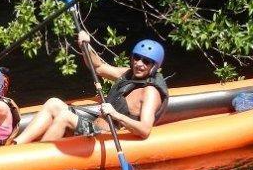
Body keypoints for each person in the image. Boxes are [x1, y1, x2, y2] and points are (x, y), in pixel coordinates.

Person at [12, 32, 169, 144]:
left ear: (154, 66)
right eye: (137, 58)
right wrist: (85, 46)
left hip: (106, 136)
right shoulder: (128, 74)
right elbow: (98, 67)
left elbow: (144, 130)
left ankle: (39, 155)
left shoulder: (150, 92)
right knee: (53, 103)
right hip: (96, 126)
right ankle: (16, 145)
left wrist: (115, 114)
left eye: (146, 61)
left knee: (64, 117)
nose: (139, 64)